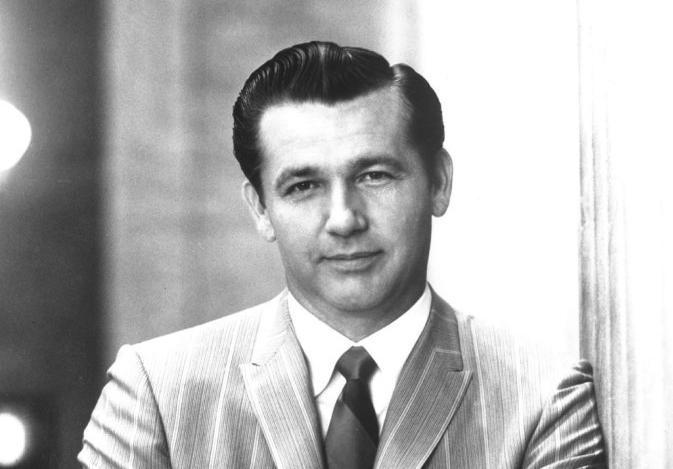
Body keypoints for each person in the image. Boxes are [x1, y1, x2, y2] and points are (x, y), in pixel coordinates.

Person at [79, 41, 606, 468]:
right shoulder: (156, 392)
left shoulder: (544, 397)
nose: (344, 218)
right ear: (260, 209)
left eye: (374, 175)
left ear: (439, 183)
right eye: (303, 186)